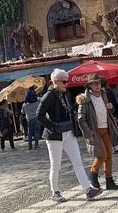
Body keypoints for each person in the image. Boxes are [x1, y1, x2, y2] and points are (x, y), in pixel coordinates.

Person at [37, 69, 103, 202]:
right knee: (56, 165)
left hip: (68, 132)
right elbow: (39, 115)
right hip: (55, 136)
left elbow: (68, 111)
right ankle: (55, 192)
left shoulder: (66, 94)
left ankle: (88, 190)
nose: (66, 84)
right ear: (55, 82)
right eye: (64, 82)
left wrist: (76, 106)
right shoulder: (48, 96)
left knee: (78, 162)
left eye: (67, 81)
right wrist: (52, 127)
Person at [76, 73, 118, 191]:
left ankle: (109, 180)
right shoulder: (84, 99)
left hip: (106, 128)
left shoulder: (104, 94)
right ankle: (93, 175)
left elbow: (108, 111)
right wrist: (88, 133)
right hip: (95, 131)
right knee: (102, 155)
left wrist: (111, 108)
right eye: (95, 83)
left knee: (109, 155)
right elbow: (81, 119)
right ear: (89, 85)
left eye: (99, 83)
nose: (98, 85)